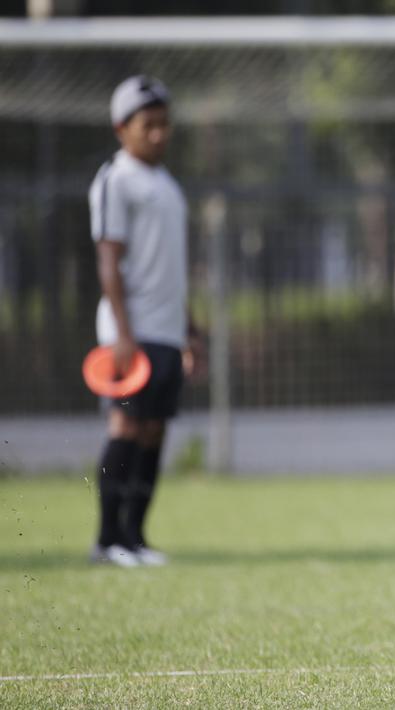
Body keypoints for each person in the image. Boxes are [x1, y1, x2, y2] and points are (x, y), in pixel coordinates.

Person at [88, 75, 198, 567]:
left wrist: (189, 329)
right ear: (121, 128)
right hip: (130, 332)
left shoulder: (168, 185)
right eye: (147, 124)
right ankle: (107, 540)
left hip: (167, 331)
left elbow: (171, 268)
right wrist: (124, 334)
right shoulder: (116, 180)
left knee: (154, 430)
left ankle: (135, 538)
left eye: (164, 124)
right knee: (127, 426)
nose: (158, 133)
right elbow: (109, 262)